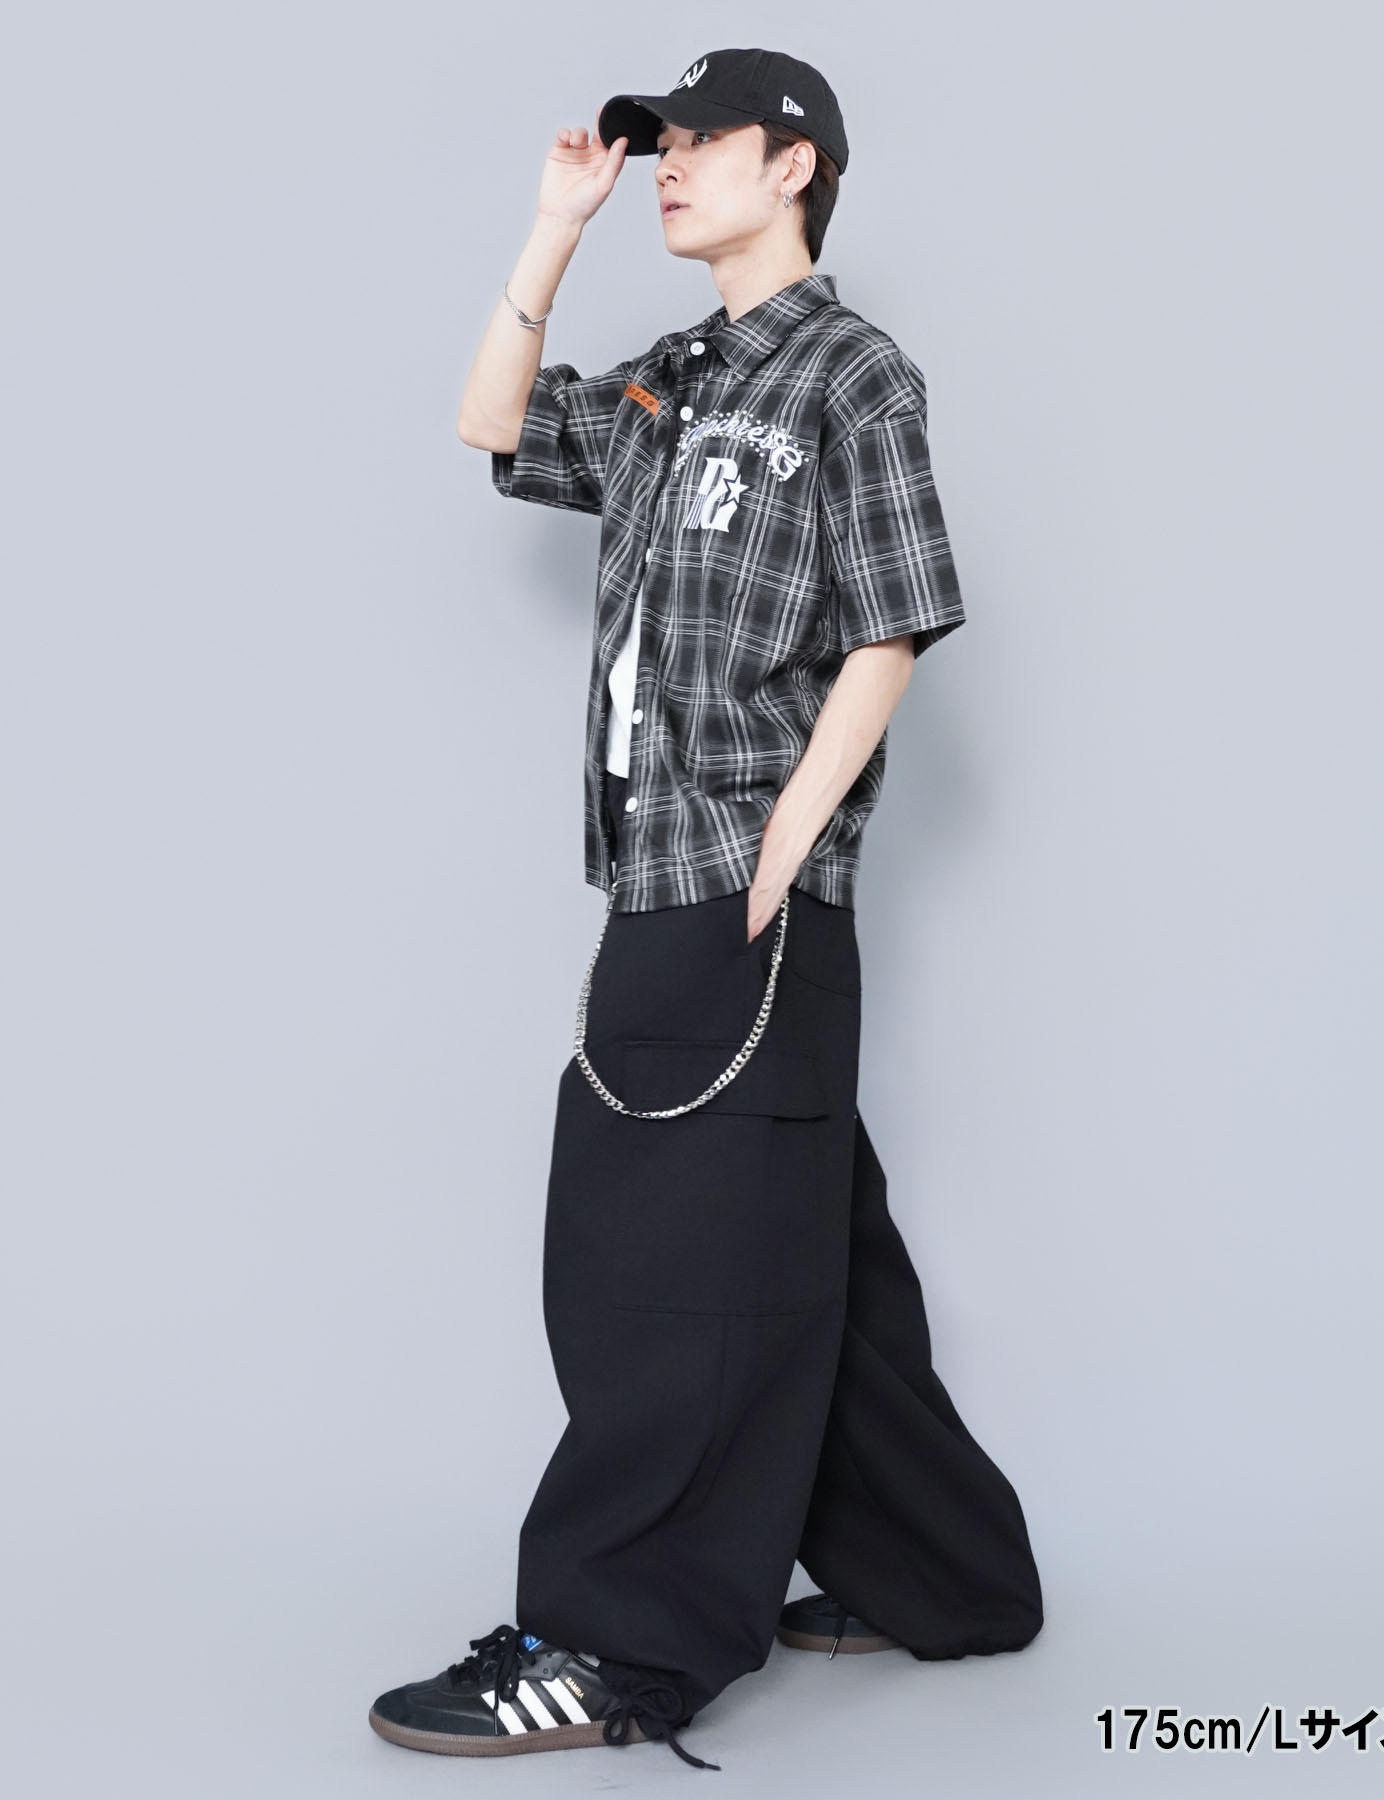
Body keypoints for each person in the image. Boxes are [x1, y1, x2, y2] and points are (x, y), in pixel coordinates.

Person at [368, 46, 1044, 1772]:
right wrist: (554, 227)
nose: (664, 165)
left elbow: (893, 617)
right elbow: (495, 424)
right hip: (661, 865)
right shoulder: (672, 378)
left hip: (734, 881)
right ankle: (950, 1577)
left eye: (696, 142)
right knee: (798, 1246)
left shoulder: (853, 374)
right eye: (653, 145)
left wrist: (787, 841)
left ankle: (621, 1643)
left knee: (656, 1270)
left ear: (793, 163)